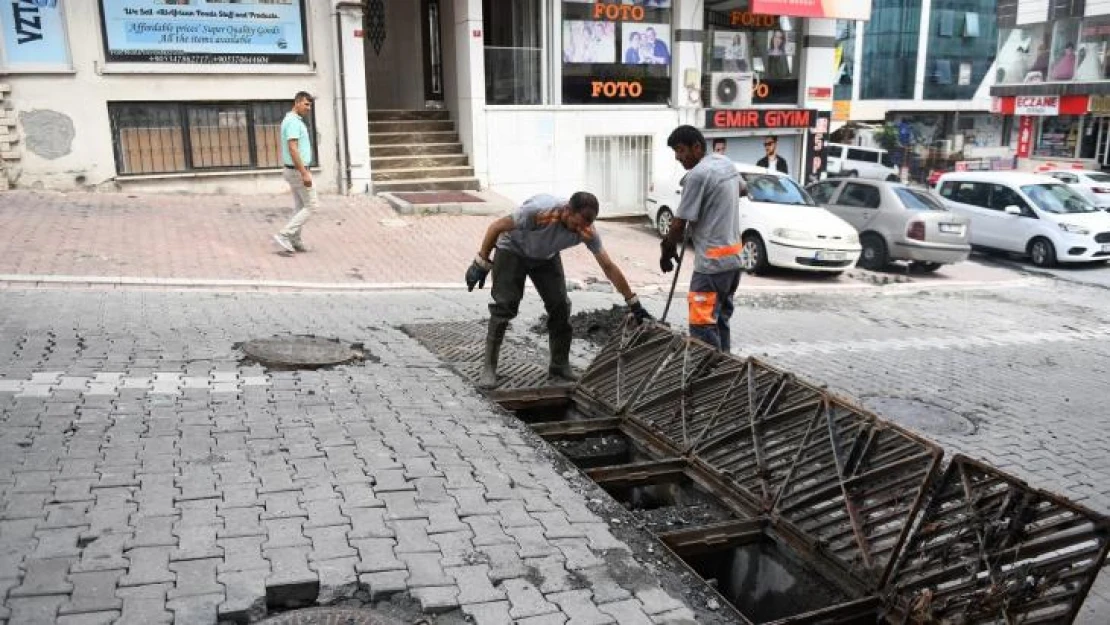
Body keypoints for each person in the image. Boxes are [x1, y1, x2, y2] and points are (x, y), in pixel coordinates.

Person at [466, 192, 653, 389]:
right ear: (566, 211)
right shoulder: (539, 212)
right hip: (513, 250)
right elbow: (496, 227)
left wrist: (633, 302)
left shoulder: (587, 231)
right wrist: (481, 262)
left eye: (585, 226)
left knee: (561, 306)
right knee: (505, 306)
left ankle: (559, 365)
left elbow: (608, 266)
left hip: (546, 257)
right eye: (577, 224)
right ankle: (489, 367)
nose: (580, 231)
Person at [659, 125, 743, 352]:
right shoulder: (725, 164)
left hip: (711, 267)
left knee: (701, 328)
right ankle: (727, 375)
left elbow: (678, 224)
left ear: (697, 147)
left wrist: (666, 250)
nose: (677, 157)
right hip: (733, 264)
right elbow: (743, 189)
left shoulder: (697, 176)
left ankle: (710, 379)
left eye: (680, 150)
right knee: (720, 321)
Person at [273, 92, 316, 254]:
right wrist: (304, 173)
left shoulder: (292, 120)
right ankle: (284, 234)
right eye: (306, 104)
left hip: (293, 170)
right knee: (312, 205)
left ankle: (295, 239)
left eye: (310, 105)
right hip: (298, 171)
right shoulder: (293, 122)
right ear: (297, 103)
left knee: (300, 206)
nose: (308, 108)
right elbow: (292, 148)